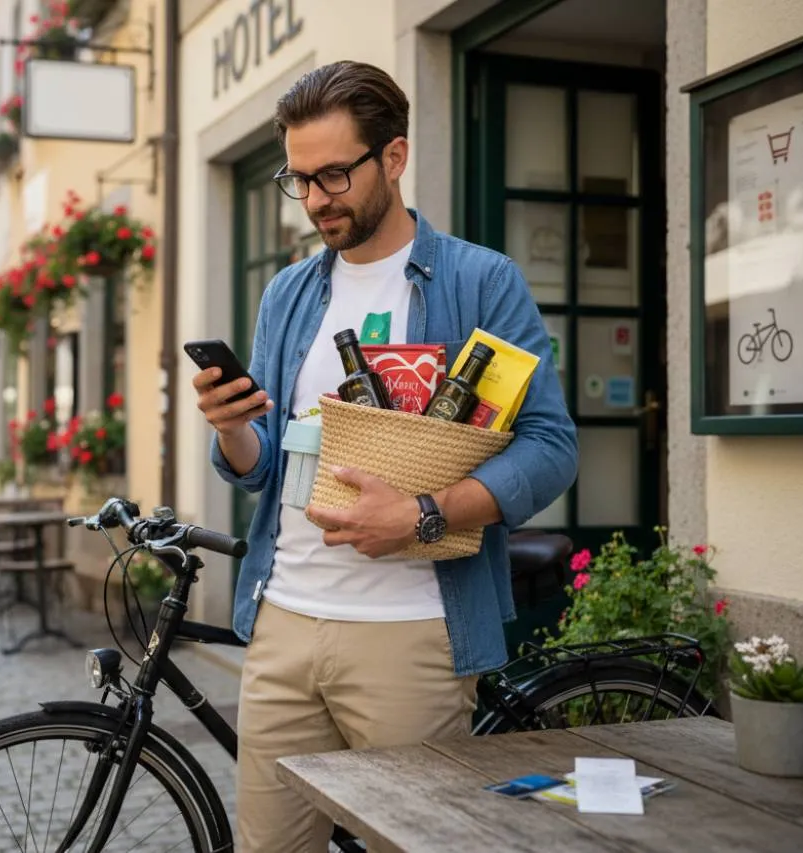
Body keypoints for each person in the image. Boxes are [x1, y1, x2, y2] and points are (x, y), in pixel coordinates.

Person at [194, 61, 578, 852]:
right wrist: (233, 429)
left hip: (414, 631)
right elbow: (265, 460)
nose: (315, 200)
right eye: (298, 179)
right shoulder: (289, 292)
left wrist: (421, 514)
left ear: (393, 157)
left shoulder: (480, 279)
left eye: (333, 174)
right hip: (284, 621)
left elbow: (550, 448)